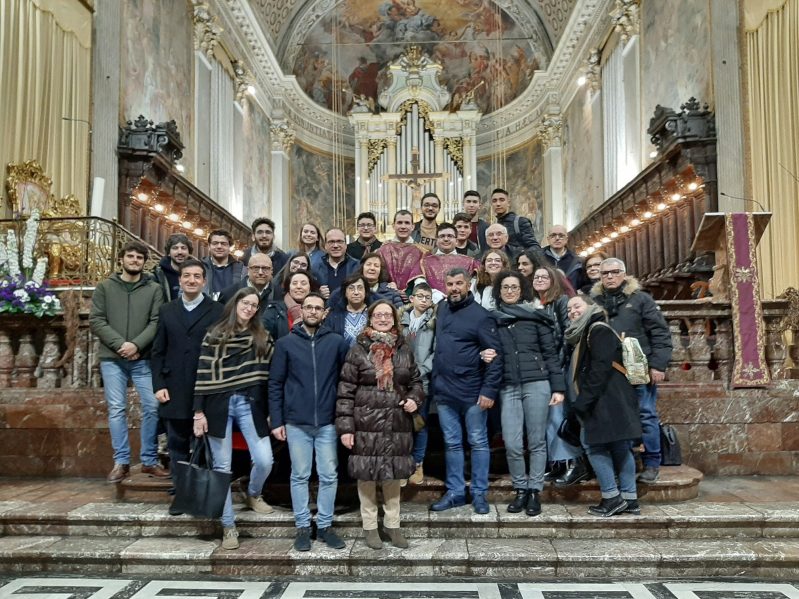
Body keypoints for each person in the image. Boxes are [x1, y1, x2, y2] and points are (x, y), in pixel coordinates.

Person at [336, 300, 425, 549]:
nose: (383, 318)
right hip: (366, 422)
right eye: (378, 315)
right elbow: (345, 391)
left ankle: (392, 525)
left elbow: (416, 382)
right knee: (365, 476)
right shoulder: (358, 349)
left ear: (394, 319)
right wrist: (345, 428)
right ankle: (370, 527)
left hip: (396, 422)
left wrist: (414, 399)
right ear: (370, 318)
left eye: (388, 315)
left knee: (392, 477)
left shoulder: (403, 348)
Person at [192, 287, 276, 550]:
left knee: (265, 459)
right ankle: (228, 527)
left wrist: (274, 409)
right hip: (218, 405)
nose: (249, 308)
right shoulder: (215, 335)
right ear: (235, 303)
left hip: (250, 403)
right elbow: (203, 374)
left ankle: (253, 493)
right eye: (245, 302)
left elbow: (273, 374)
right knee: (222, 468)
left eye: (254, 305)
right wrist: (198, 412)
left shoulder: (262, 336)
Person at [269, 292, 350, 551]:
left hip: (327, 421)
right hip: (296, 422)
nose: (313, 311)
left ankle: (324, 526)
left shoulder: (337, 342)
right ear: (301, 311)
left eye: (318, 308)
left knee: (328, 475)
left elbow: (345, 383)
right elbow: (275, 384)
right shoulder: (285, 344)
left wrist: (344, 418)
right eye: (308, 307)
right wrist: (277, 420)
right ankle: (303, 526)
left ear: (325, 313)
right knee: (300, 475)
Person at [151, 258, 224, 513]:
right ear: (180, 280)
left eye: (197, 276)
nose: (191, 280)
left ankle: (200, 494)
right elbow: (158, 351)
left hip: (205, 387)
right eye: (187, 276)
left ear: (204, 281)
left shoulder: (217, 310)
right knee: (176, 443)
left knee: (204, 444)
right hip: (174, 387)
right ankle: (181, 494)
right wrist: (158, 384)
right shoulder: (167, 310)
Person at [89, 241, 166, 483]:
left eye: (139, 258)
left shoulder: (153, 289)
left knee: (152, 407)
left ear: (144, 262)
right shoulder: (104, 287)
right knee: (117, 409)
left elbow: (156, 321)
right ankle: (121, 461)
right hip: (113, 359)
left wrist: (136, 345)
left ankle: (149, 460)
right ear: (121, 259)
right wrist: (121, 345)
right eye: (130, 256)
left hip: (142, 358)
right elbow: (97, 320)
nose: (134, 260)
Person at [591, 257, 673, 483]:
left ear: (624, 274)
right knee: (616, 418)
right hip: (608, 371)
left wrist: (658, 365)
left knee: (646, 415)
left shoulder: (640, 300)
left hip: (639, 369)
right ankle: (624, 464)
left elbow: (660, 333)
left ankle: (652, 463)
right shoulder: (594, 301)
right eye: (605, 273)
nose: (609, 276)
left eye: (614, 272)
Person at [491, 271, 565, 516]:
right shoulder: (493, 319)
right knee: (512, 443)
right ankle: (520, 488)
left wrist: (558, 387)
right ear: (499, 291)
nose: (510, 291)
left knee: (536, 441)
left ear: (521, 290)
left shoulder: (536, 318)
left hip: (537, 383)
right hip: (508, 386)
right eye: (505, 287)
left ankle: (534, 490)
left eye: (514, 287)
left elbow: (551, 354)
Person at [430, 268, 503, 514]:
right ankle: (456, 492)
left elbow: (495, 357)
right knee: (451, 443)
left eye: (459, 283)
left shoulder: (482, 316)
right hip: (444, 391)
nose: (454, 288)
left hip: (473, 391)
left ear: (469, 284)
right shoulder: (441, 309)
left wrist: (489, 391)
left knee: (478, 442)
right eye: (450, 283)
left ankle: (480, 493)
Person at [565, 294, 641, 516]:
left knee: (593, 445)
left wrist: (583, 402)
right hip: (613, 398)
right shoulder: (591, 331)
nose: (572, 312)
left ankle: (611, 497)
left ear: (590, 307)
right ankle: (629, 498)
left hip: (604, 399)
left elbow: (600, 368)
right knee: (619, 447)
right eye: (569, 309)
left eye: (577, 306)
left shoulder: (597, 329)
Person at [531, 264, 586, 485]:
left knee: (558, 417)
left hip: (558, 367)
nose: (540, 279)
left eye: (545, 276)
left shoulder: (561, 301)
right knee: (550, 419)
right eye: (536, 277)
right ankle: (559, 463)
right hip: (544, 368)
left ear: (554, 280)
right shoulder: (537, 304)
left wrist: (558, 366)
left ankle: (575, 464)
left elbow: (566, 334)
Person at [398, 282, 435, 485]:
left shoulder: (434, 322)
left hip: (422, 380)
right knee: (402, 424)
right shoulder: (400, 320)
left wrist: (421, 371)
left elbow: (436, 352)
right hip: (400, 381)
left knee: (419, 424)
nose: (423, 300)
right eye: (419, 296)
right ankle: (403, 464)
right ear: (411, 299)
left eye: (426, 297)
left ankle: (418, 463)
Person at [262, 270, 316, 340]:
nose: (299, 286)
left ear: (310, 288)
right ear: (289, 288)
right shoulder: (274, 309)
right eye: (294, 283)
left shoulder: (318, 309)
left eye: (303, 283)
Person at [311, 228, 360, 300]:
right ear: (325, 246)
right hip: (325, 309)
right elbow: (310, 292)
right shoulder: (315, 268)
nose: (335, 245)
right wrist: (318, 294)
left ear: (345, 245)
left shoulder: (357, 266)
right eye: (331, 242)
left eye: (339, 241)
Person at [490, 188, 541, 255]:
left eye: (502, 200)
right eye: (494, 201)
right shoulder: (493, 226)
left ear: (508, 203)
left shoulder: (520, 222)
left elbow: (534, 247)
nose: (498, 204)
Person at [324, 273, 370, 346]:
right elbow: (327, 342)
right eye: (351, 288)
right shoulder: (333, 315)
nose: (356, 292)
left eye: (360, 288)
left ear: (365, 291)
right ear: (345, 292)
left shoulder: (373, 313)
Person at [542, 225, 587, 291]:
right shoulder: (538, 257)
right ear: (548, 239)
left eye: (561, 235)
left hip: (569, 299)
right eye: (553, 235)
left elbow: (583, 285)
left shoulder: (577, 261)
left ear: (566, 239)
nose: (557, 238)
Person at [202, 229, 244, 299]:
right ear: (209, 246)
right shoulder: (199, 266)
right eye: (215, 243)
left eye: (223, 244)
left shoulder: (242, 269)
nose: (219, 246)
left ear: (229, 247)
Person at [154, 234, 192, 302]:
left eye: (183, 248)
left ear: (189, 252)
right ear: (169, 252)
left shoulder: (198, 273)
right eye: (175, 248)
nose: (179, 252)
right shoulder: (158, 275)